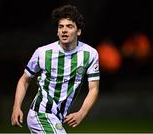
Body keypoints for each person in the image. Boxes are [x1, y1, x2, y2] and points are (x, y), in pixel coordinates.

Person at [11, 4, 100, 134]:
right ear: (57, 31)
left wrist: (82, 113)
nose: (64, 30)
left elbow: (93, 88)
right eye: (61, 27)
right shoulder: (43, 53)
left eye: (69, 26)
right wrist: (16, 107)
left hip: (57, 117)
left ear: (78, 31)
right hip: (40, 114)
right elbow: (24, 80)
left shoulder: (90, 54)